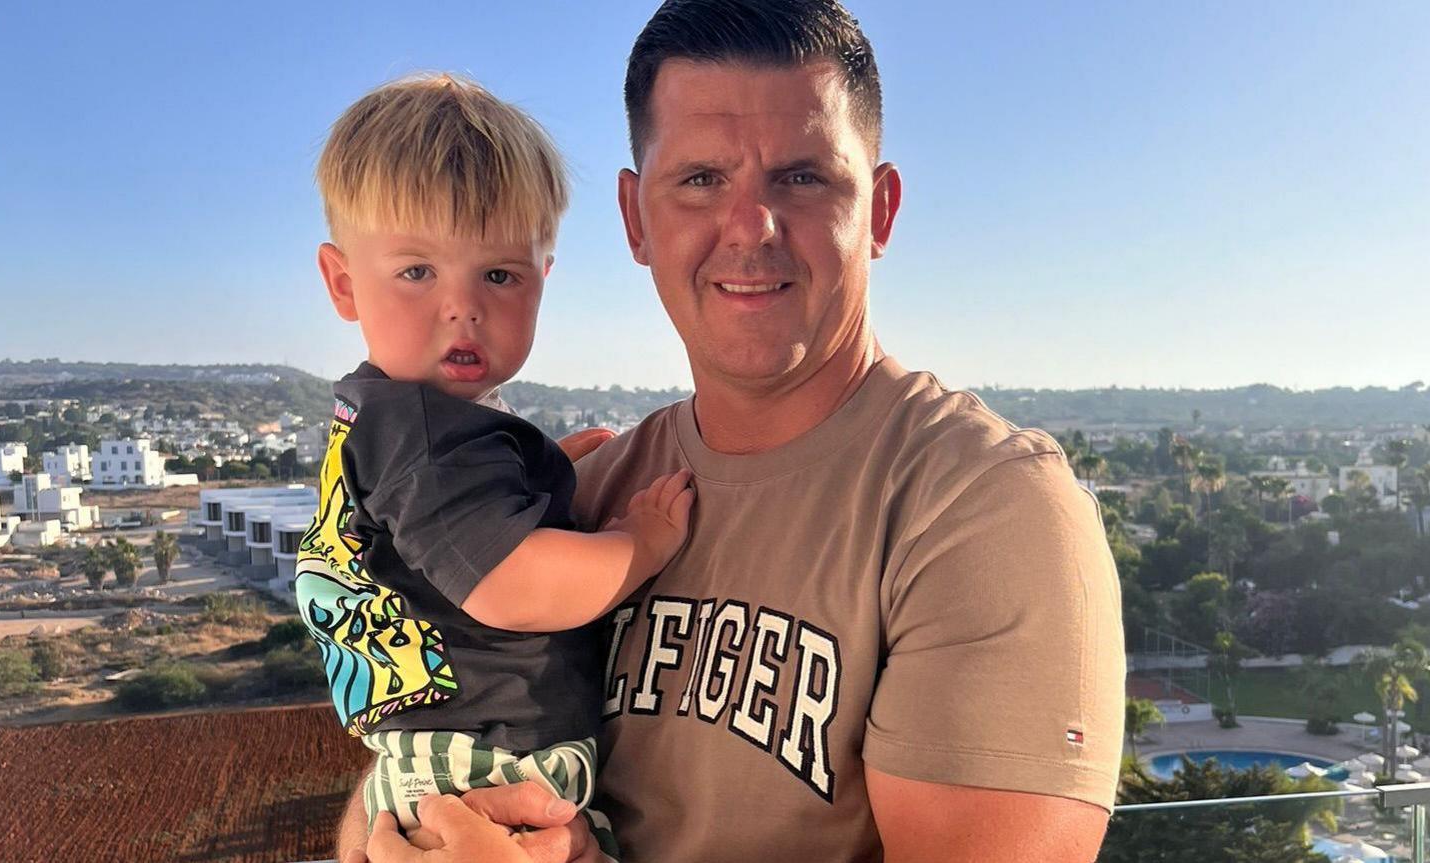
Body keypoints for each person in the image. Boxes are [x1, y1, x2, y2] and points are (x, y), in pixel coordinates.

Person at [340, 2, 1125, 861]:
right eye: (702, 180)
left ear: (882, 210)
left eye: (802, 178)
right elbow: (409, 761)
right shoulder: (593, 492)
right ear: (637, 219)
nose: (751, 228)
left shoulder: (982, 508)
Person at [297, 73, 694, 855]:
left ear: (544, 278)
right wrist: (637, 545)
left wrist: (545, 477)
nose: (462, 305)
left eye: (499, 274)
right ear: (344, 283)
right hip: (490, 763)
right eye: (417, 271)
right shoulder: (428, 431)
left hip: (435, 762)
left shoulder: (381, 415)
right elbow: (512, 584)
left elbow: (441, 535)